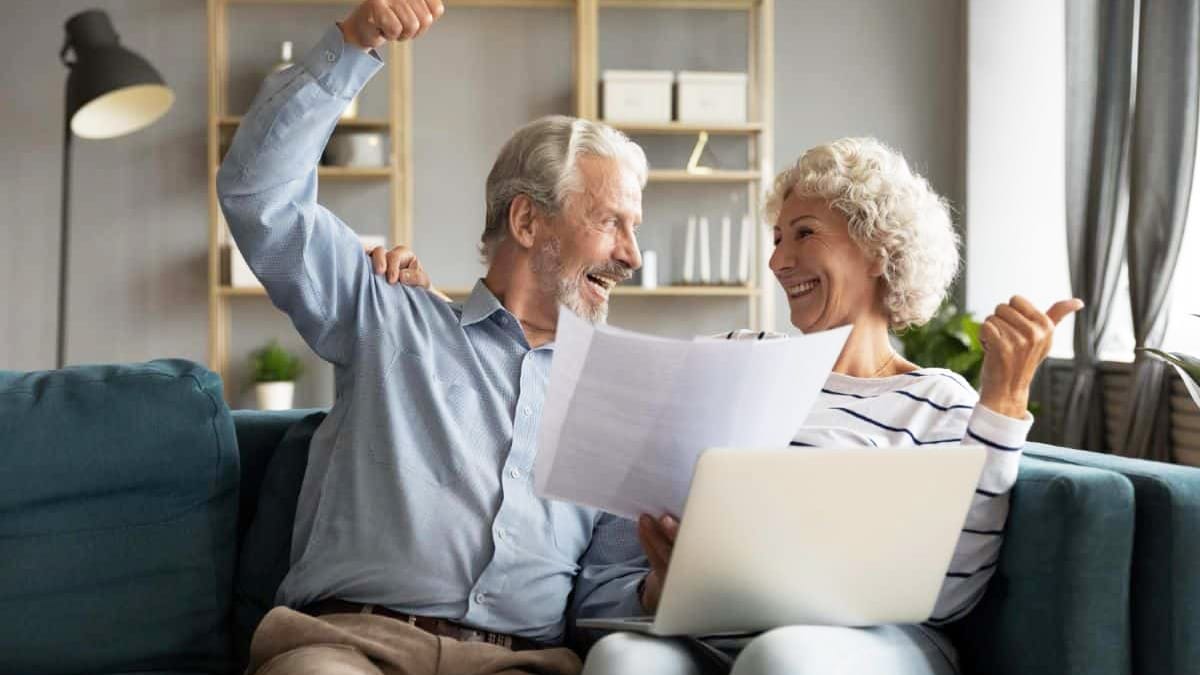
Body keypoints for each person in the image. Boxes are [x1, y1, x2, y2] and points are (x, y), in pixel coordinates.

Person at [380, 137, 1082, 674]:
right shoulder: (735, 356)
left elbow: (954, 588)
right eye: (777, 239)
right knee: (623, 661)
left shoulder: (936, 401)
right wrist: (662, 578)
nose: (779, 261)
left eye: (805, 232)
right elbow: (609, 570)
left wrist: (1004, 401)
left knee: (782, 659)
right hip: (709, 631)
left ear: (879, 247)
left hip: (868, 643)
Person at [216, 1, 661, 673]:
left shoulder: (614, 402)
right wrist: (357, 40)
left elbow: (603, 597)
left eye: (634, 228)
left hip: (524, 663)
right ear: (527, 221)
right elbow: (259, 195)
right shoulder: (388, 314)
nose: (631, 255)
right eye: (610, 223)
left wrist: (663, 575)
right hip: (353, 647)